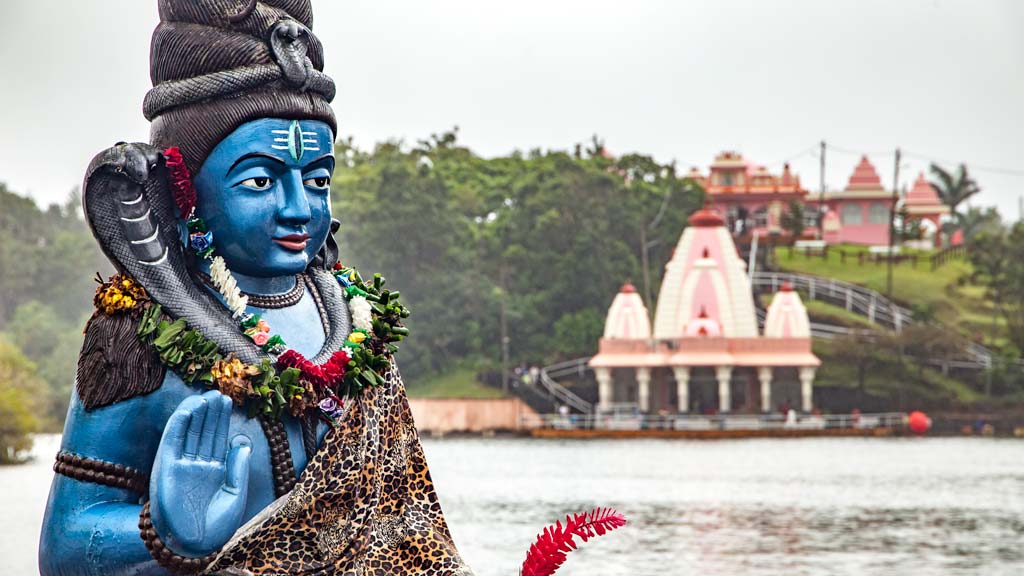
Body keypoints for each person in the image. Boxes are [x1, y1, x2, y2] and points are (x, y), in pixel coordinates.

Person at [39, 2, 473, 574]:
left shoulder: (353, 326)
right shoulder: (136, 335)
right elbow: (66, 544)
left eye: (317, 180)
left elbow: (405, 528)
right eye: (261, 180)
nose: (299, 210)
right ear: (184, 191)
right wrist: (165, 534)